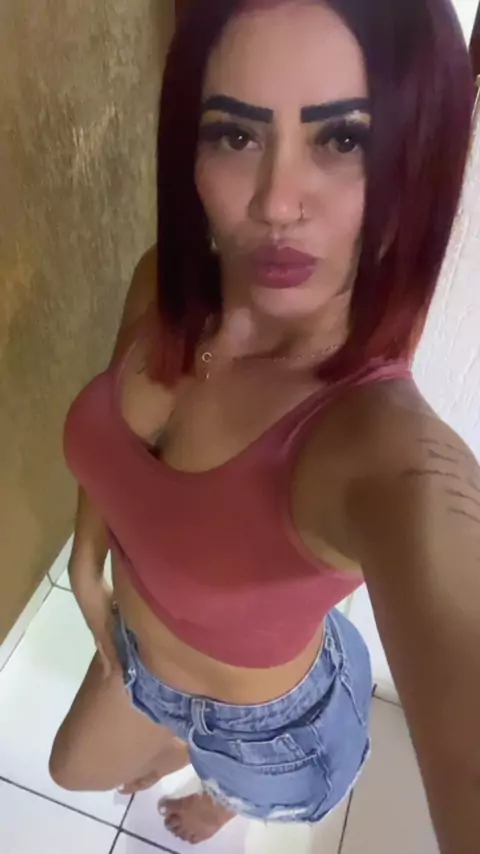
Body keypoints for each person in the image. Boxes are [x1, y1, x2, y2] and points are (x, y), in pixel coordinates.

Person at [49, 0, 479, 850]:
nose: (278, 202)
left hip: (271, 733)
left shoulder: (378, 445)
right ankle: (192, 745)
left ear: (417, 159)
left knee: (222, 793)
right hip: (139, 651)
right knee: (71, 771)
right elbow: (113, 455)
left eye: (343, 138)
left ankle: (225, 795)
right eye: (237, 134)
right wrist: (86, 563)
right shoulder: (164, 285)